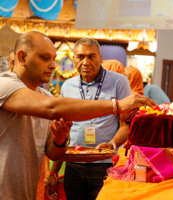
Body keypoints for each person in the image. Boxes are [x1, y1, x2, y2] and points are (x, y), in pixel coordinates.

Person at [0, 31, 155, 200]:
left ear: (100, 58)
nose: (53, 65)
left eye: (53, 58)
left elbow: (52, 152)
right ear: (22, 58)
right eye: (45, 58)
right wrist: (116, 105)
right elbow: (52, 108)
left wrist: (60, 139)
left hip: (27, 190)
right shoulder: (5, 85)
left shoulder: (46, 95)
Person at [45, 38, 148, 200]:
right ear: (73, 59)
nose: (85, 62)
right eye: (80, 57)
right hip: (74, 164)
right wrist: (53, 172)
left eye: (91, 57)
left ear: (100, 58)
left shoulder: (119, 82)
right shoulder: (67, 86)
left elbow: (126, 126)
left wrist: (113, 144)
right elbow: (62, 133)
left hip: (106, 164)